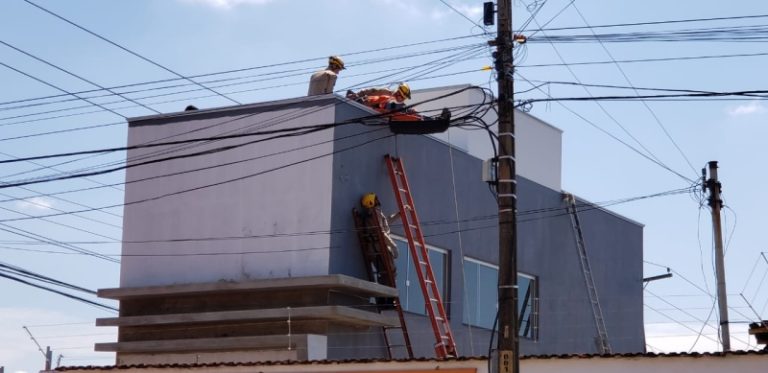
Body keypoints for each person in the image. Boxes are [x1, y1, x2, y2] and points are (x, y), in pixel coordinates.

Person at [360, 193, 400, 259]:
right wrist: (393, 246)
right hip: (379, 246)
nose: (378, 200)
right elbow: (380, 232)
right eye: (375, 199)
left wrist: (399, 214)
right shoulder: (375, 214)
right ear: (371, 203)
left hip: (378, 246)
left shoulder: (375, 213)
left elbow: (386, 222)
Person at [347, 83, 412, 114]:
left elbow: (405, 109)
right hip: (362, 108)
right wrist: (356, 95)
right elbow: (369, 91)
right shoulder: (385, 92)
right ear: (398, 93)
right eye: (403, 97)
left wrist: (412, 111)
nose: (403, 100)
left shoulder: (399, 106)